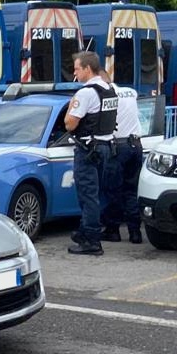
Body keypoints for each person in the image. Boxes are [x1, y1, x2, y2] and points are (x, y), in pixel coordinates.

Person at [63, 51, 118, 256]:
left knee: (87, 196)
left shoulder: (86, 93)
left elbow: (70, 124)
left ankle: (92, 241)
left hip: (88, 149)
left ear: (87, 68)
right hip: (104, 147)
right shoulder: (109, 89)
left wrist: (70, 107)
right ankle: (85, 230)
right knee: (95, 195)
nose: (74, 73)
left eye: (77, 68)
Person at [102, 83, 144, 244]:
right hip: (136, 145)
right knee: (131, 190)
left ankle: (113, 230)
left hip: (118, 147)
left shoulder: (107, 96)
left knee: (113, 190)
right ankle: (135, 232)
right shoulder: (130, 92)